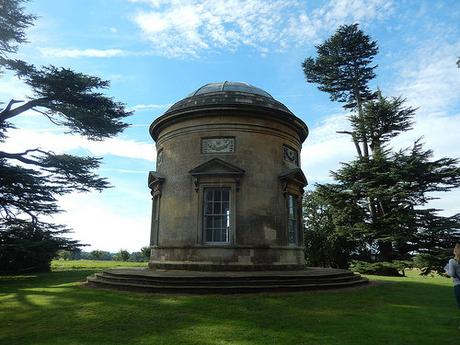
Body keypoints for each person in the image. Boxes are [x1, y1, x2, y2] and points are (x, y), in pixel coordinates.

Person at [445, 244, 460, 317]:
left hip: (458, 285)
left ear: (455, 251)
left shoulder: (452, 261)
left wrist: (446, 270)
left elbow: (452, 274)